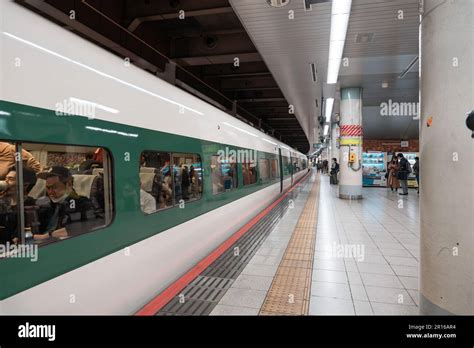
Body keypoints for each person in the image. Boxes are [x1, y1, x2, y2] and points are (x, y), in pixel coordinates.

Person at [34, 166, 96, 241]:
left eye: (54, 187)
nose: (50, 192)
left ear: (69, 184)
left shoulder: (81, 203)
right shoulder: (48, 205)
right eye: (48, 188)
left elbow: (79, 227)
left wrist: (46, 236)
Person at [0, 167, 38, 245]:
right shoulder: (2, 201)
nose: (6, 182)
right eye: (5, 178)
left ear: (25, 185)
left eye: (11, 179)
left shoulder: (29, 205)